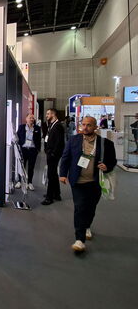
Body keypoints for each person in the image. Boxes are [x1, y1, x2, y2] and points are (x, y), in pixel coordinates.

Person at [59, 116, 117, 252]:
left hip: (95, 182)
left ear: (95, 127)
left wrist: (107, 166)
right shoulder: (73, 140)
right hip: (78, 181)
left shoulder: (105, 143)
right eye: (83, 124)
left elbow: (112, 161)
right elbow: (66, 158)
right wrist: (62, 174)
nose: (85, 127)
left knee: (90, 208)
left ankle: (87, 226)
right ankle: (79, 239)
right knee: (80, 207)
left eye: (89, 125)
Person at [42, 108, 65, 205]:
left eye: (48, 114)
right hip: (50, 153)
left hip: (53, 155)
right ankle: (57, 194)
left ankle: (49, 197)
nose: (46, 115)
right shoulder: (51, 125)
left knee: (51, 175)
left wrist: (53, 154)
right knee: (53, 174)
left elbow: (59, 142)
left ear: (53, 114)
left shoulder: (58, 126)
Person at [16, 113, 41, 190]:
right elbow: (17, 137)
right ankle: (19, 181)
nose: (31, 119)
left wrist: (38, 150)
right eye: (30, 118)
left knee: (31, 167)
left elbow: (39, 139)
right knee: (21, 167)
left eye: (33, 118)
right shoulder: (21, 127)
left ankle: (30, 182)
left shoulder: (37, 128)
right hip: (23, 150)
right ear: (26, 119)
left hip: (32, 151)